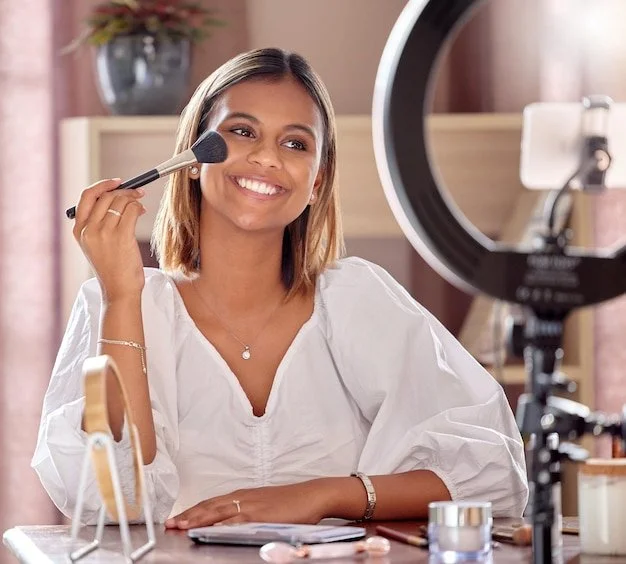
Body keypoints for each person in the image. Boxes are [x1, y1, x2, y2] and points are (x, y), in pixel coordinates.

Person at [32, 47, 528, 529]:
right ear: (193, 155)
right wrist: (122, 296)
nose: (267, 157)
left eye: (295, 143)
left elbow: (492, 471)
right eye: (242, 131)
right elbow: (118, 500)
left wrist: (323, 495)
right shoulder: (118, 306)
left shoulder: (358, 299)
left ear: (316, 181)